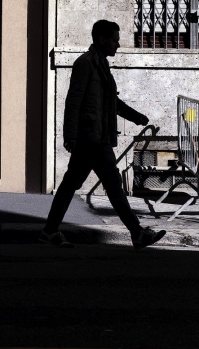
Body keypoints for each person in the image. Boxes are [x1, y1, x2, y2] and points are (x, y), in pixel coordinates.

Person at [40, 19, 166, 251]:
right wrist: (70, 136)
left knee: (74, 185)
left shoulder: (101, 66)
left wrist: (135, 116)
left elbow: (112, 102)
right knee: (107, 186)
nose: (118, 45)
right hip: (90, 140)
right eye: (115, 40)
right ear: (102, 39)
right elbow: (73, 101)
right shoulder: (85, 64)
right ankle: (136, 233)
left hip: (98, 138)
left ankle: (50, 230)